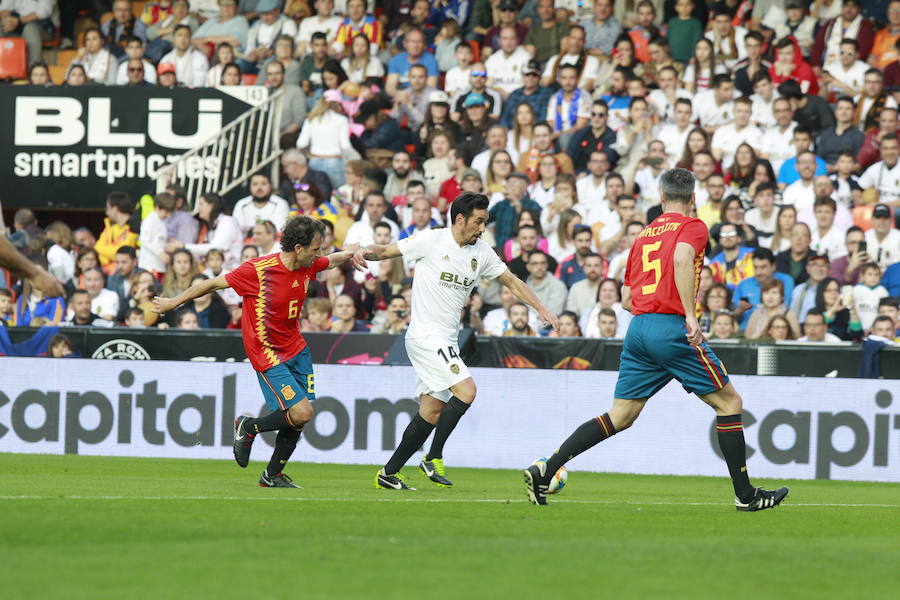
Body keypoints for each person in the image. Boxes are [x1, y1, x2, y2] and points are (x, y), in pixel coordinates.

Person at [524, 167, 789, 511]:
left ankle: (546, 468)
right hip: (670, 327)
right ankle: (746, 495)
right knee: (729, 404)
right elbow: (681, 258)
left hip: (638, 329)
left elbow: (624, 298)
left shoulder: (644, 235)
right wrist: (690, 315)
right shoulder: (693, 226)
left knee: (620, 416)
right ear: (693, 198)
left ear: (661, 197)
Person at [353, 192, 560, 490]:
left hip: (447, 339)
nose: (482, 228)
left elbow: (512, 281)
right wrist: (361, 252)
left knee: (432, 411)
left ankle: (388, 472)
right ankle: (433, 457)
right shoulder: (432, 240)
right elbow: (385, 251)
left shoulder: (483, 252)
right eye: (478, 222)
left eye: (485, 222)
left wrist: (540, 307)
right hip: (426, 335)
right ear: (460, 219)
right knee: (467, 390)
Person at [153, 216, 365, 487]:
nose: (319, 254)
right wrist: (174, 302)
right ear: (298, 248)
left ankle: (272, 475)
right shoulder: (258, 270)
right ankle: (248, 426)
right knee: (302, 412)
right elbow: (211, 284)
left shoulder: (307, 264)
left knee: (296, 419)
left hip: (297, 348)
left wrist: (352, 252)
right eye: (315, 248)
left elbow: (332, 260)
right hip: (268, 352)